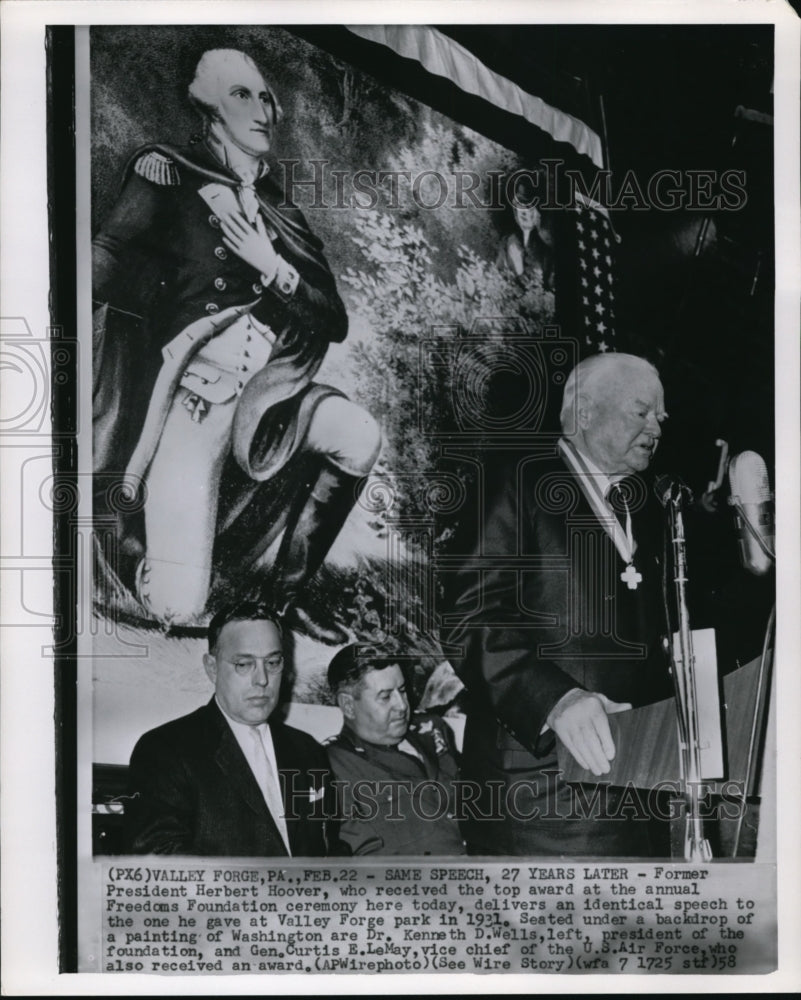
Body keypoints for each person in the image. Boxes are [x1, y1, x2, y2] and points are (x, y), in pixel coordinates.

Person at [92, 48, 381, 640]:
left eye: (267, 97)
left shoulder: (281, 211)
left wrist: (270, 264)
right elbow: (106, 256)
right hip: (192, 398)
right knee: (177, 608)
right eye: (242, 95)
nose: (264, 110)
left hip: (268, 398)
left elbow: (332, 319)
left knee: (361, 436)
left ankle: (285, 596)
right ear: (208, 108)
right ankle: (125, 549)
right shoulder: (166, 173)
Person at [439, 352, 673, 856]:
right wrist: (556, 699)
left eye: (661, 416)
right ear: (584, 412)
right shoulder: (516, 478)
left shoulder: (643, 506)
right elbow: (469, 616)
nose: (657, 424)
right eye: (642, 411)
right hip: (541, 798)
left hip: (634, 792)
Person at [126, 602, 336, 856]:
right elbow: (161, 864)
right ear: (211, 668)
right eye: (243, 664)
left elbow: (327, 848)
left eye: (272, 662)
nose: (262, 680)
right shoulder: (165, 749)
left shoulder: (308, 751)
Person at [325, 645, 466, 856]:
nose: (402, 705)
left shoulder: (432, 729)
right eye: (385, 696)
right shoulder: (335, 767)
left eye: (402, 690)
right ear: (348, 705)